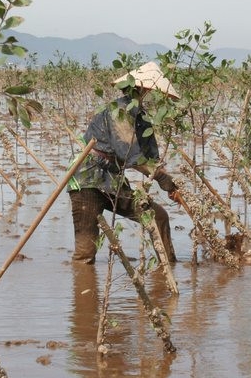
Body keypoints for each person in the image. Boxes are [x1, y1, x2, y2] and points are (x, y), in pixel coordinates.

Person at [67, 62, 181, 265]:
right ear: (140, 89)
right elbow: (132, 156)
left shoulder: (141, 117)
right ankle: (84, 291)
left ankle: (169, 267)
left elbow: (150, 157)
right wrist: (163, 179)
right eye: (149, 91)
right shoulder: (117, 112)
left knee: (158, 216)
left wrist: (171, 184)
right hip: (88, 180)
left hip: (112, 179)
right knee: (85, 253)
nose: (151, 95)